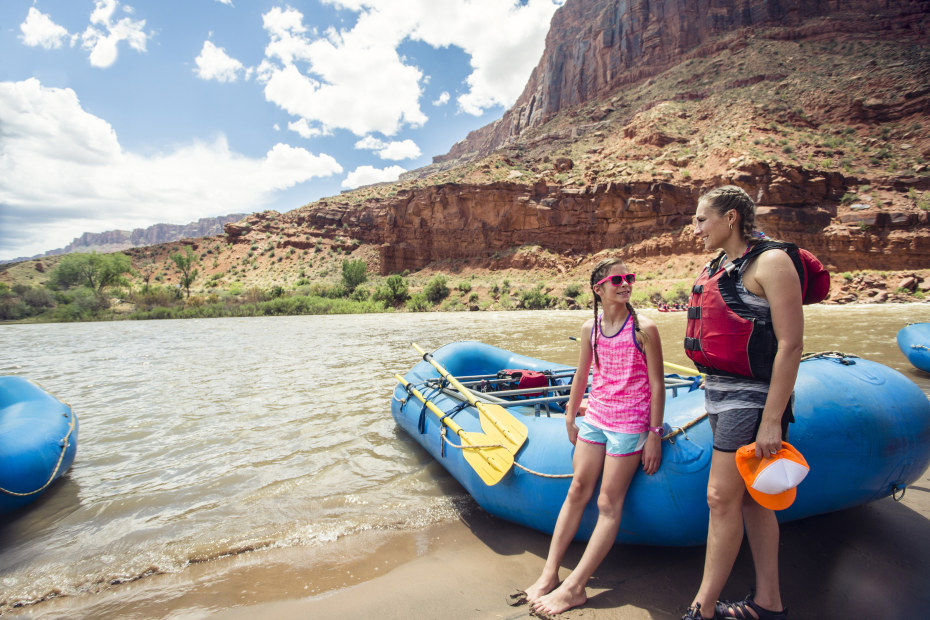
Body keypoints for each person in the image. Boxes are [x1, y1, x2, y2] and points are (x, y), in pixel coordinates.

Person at [682, 186, 801, 620]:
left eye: (700, 220)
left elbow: (790, 345)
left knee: (719, 497)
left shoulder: (771, 262)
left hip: (750, 399)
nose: (695, 229)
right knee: (751, 498)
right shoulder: (719, 264)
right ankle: (769, 601)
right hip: (719, 391)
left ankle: (703, 607)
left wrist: (772, 421)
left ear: (730, 218)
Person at [522, 257, 666, 616]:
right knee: (576, 490)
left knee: (607, 503)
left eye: (629, 277)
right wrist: (571, 416)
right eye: (616, 278)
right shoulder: (592, 328)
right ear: (597, 288)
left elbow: (657, 384)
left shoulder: (644, 328)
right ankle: (549, 574)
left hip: (630, 424)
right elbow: (581, 374)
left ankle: (575, 587)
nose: (625, 283)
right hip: (596, 417)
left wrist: (654, 434)